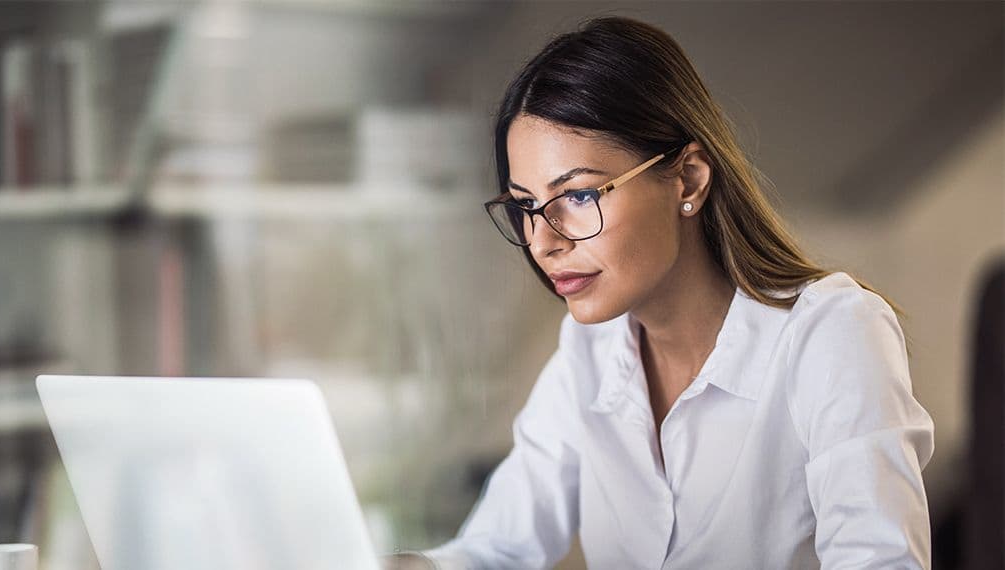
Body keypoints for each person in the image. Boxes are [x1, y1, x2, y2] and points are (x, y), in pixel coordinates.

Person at [385, 15, 934, 570]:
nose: (543, 241)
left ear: (688, 179)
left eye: (576, 195)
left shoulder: (831, 330)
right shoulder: (589, 351)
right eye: (525, 205)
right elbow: (496, 549)